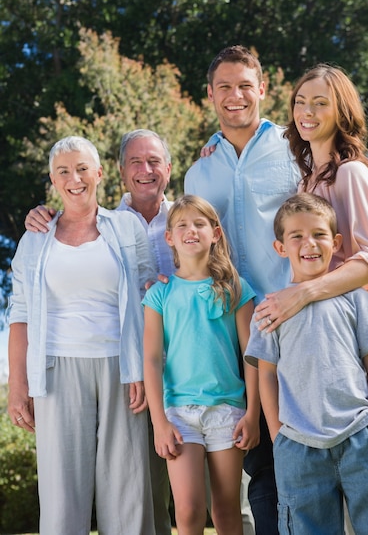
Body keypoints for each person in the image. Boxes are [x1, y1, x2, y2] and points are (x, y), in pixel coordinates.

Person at [23, 128, 174, 535]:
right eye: (64, 171)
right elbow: (19, 313)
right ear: (53, 180)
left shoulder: (124, 230)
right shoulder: (35, 239)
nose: (75, 179)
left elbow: (147, 305)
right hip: (56, 370)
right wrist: (18, 386)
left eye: (83, 169)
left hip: (120, 368)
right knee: (62, 494)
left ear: (101, 174)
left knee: (128, 491)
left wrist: (141, 369)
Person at [245, 192, 368, 534]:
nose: (309, 243)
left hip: (363, 437)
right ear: (281, 247)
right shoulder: (270, 310)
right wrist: (280, 437)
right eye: (296, 236)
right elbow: (267, 375)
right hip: (299, 445)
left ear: (335, 242)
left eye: (319, 234)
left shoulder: (357, 298)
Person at [185, 45, 301, 533]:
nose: (236, 96)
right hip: (234, 334)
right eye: (225, 87)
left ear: (263, 90)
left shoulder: (295, 150)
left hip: (294, 317)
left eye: (245, 86)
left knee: (311, 444)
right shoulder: (200, 170)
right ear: (210, 94)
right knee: (260, 461)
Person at [255, 63, 368, 331]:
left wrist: (303, 293)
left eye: (320, 103)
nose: (307, 112)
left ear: (341, 113)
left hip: (345, 322)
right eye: (300, 102)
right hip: (316, 319)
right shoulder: (305, 184)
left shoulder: (351, 173)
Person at [142, 194, 260, 535]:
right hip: (179, 413)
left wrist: (252, 414)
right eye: (181, 225)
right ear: (169, 237)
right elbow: (151, 360)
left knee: (226, 510)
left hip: (228, 411)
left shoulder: (235, 288)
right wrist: (159, 422)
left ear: (216, 233)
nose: (190, 230)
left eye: (199, 223)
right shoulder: (160, 295)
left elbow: (252, 355)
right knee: (189, 510)